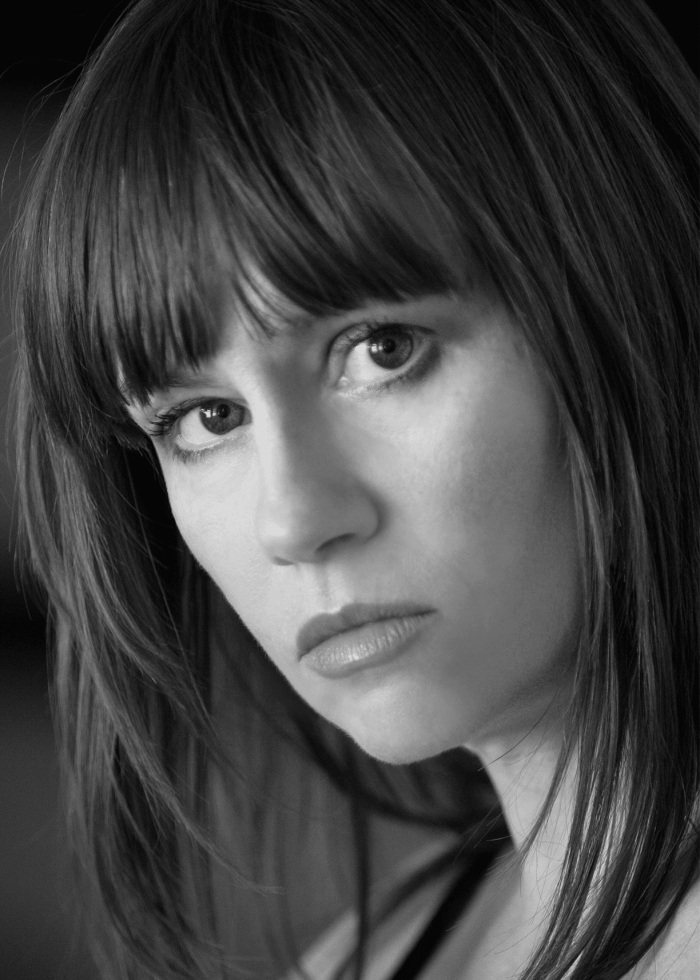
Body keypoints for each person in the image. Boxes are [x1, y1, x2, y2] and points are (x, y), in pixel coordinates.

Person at [12, 0, 699, 977]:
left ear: (626, 287)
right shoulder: (357, 959)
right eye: (203, 419)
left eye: (382, 350)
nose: (293, 518)